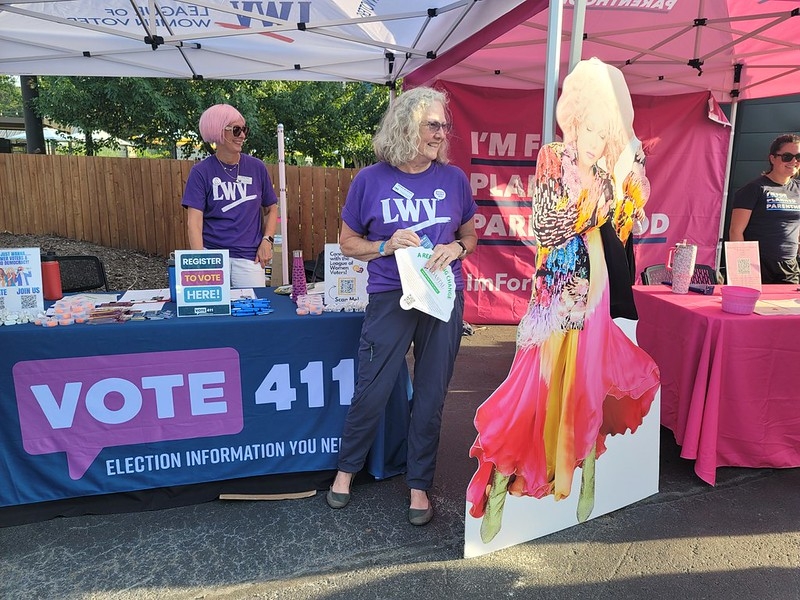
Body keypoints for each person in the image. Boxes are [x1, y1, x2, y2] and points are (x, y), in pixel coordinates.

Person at [465, 58, 660, 544]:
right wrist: (602, 195)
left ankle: (586, 471)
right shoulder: (556, 155)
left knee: (588, 380)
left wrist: (629, 186)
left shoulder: (610, 164)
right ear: (574, 117)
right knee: (536, 384)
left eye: (606, 128)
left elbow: (623, 228)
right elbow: (548, 226)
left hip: (594, 285)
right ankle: (501, 481)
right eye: (591, 124)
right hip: (556, 288)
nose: (596, 136)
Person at [326, 86, 478, 526]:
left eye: (443, 125)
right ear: (405, 125)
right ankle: (345, 472)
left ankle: (418, 484)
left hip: (441, 294)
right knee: (372, 386)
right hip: (390, 295)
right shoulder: (369, 180)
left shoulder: (454, 180)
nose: (441, 132)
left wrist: (457, 250)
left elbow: (470, 236)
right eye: (432, 123)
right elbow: (347, 243)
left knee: (430, 393)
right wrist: (384, 244)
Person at [181, 103, 278, 288]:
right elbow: (194, 222)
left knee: (253, 312)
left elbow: (272, 209)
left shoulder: (257, 167)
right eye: (236, 130)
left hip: (249, 258)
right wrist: (201, 262)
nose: (242, 135)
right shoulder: (201, 172)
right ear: (218, 132)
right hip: (212, 256)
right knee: (213, 313)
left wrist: (268, 240)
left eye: (244, 129)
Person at [729, 133, 800, 284]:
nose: (794, 161)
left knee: (788, 307)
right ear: (772, 158)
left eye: (798, 157)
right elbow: (736, 231)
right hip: (758, 265)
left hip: (789, 267)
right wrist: (743, 271)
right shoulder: (754, 189)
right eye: (787, 156)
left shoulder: (798, 190)